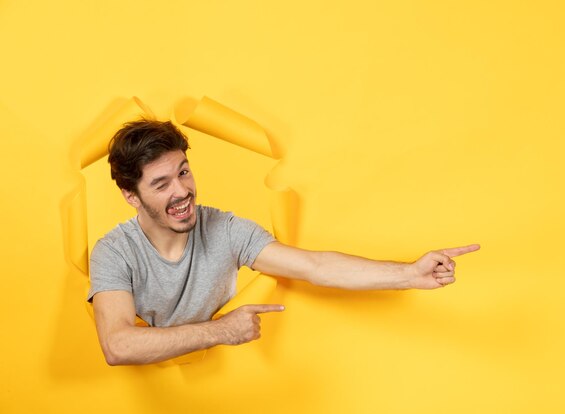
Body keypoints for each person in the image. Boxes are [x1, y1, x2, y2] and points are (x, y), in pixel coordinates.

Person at [88, 119, 480, 366]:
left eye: (184, 172)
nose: (183, 191)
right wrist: (222, 331)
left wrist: (409, 274)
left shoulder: (224, 229)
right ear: (131, 196)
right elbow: (118, 345)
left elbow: (316, 266)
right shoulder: (115, 251)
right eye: (161, 184)